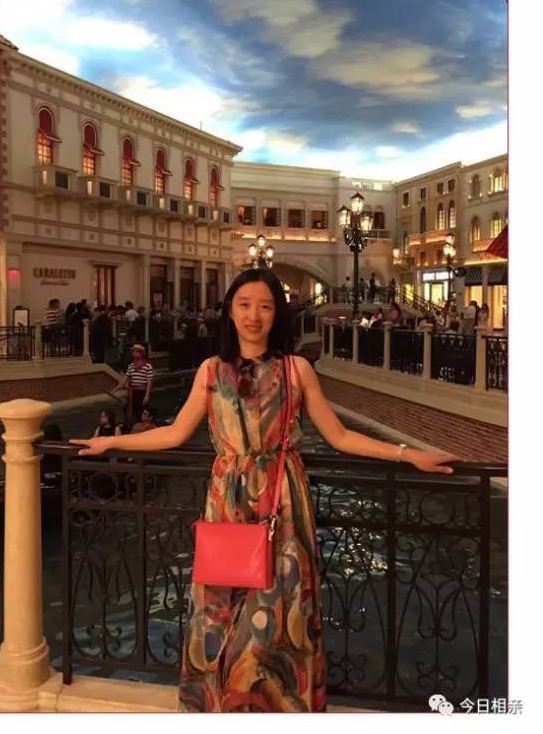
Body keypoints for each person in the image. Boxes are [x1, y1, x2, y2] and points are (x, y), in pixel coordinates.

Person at [71, 267, 456, 713]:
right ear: (230, 312)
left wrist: (408, 454)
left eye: (265, 306)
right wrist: (111, 443)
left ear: (278, 315)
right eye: (245, 305)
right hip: (227, 503)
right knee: (221, 612)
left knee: (281, 613)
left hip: (283, 504)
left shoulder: (296, 370)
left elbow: (339, 436)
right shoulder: (210, 371)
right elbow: (174, 433)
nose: (254, 316)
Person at [124, 343, 154, 423]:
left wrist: (147, 395)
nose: (134, 353)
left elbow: (149, 382)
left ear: (141, 353)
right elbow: (127, 378)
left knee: (143, 411)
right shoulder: (131, 366)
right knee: (134, 411)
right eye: (133, 351)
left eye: (136, 351)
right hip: (134, 392)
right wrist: (124, 385)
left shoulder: (147, 366)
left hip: (143, 391)